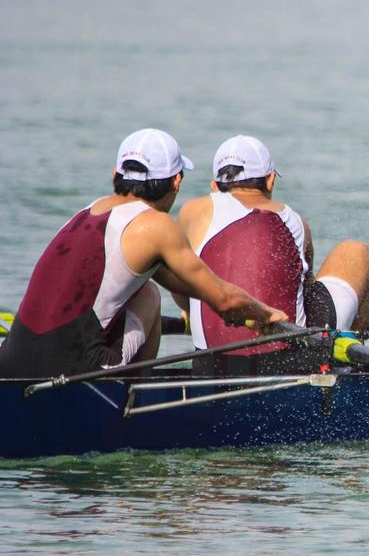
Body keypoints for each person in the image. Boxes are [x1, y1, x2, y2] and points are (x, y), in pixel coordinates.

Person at [0, 128, 288, 379]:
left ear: (116, 175)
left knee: (140, 288)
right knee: (148, 295)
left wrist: (232, 308)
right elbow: (224, 300)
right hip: (72, 371)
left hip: (10, 363)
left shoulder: (87, 211)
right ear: (177, 182)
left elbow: (191, 287)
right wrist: (266, 314)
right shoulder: (155, 225)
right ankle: (131, 401)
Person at [176, 135, 369, 375]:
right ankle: (348, 372)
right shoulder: (297, 223)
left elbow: (181, 286)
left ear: (214, 187)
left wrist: (189, 311)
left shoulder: (192, 211)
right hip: (289, 366)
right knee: (356, 251)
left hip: (210, 367)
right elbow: (305, 290)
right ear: (270, 181)